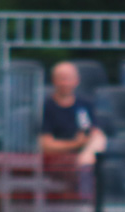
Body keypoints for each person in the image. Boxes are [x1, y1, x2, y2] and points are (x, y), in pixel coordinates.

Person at [39, 61, 108, 199]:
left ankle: (86, 195)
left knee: (99, 139)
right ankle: (85, 197)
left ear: (77, 80)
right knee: (87, 162)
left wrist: (85, 144)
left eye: (68, 78)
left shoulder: (85, 105)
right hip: (59, 161)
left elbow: (94, 133)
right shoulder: (47, 107)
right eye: (62, 78)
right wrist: (76, 143)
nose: (65, 83)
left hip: (84, 155)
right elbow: (45, 145)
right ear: (54, 81)